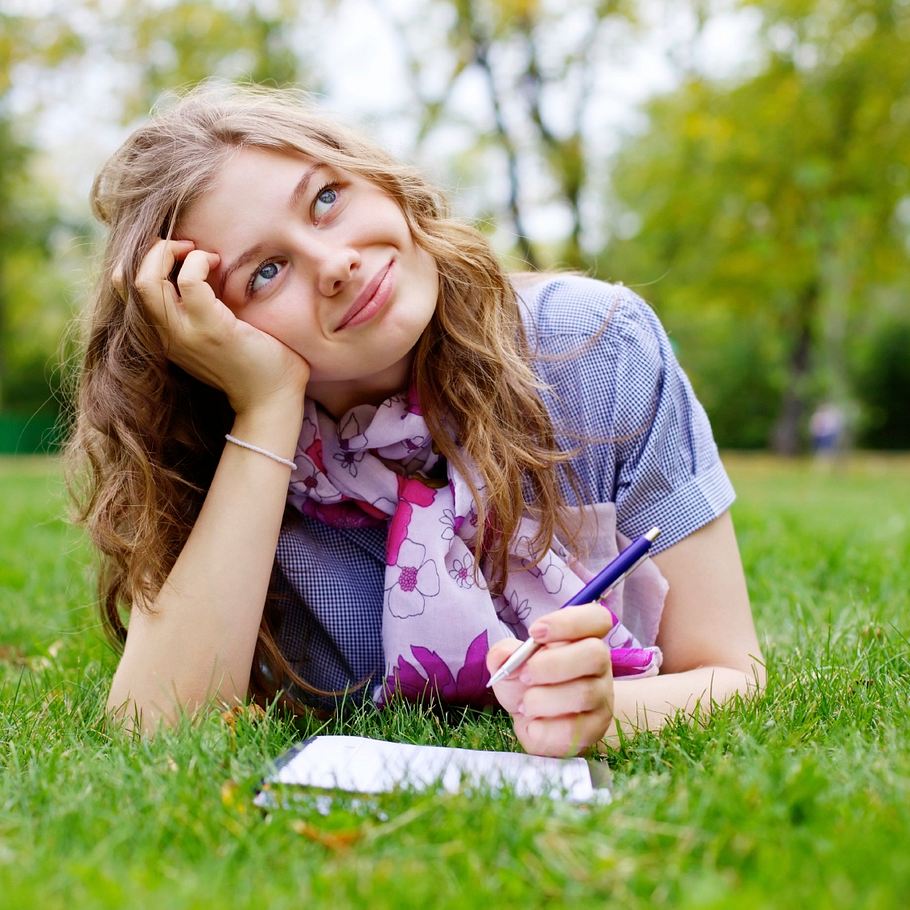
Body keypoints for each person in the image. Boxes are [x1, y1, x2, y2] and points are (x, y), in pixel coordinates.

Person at [67, 83, 764, 757]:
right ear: (206, 329)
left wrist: (606, 713)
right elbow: (156, 734)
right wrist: (266, 409)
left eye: (327, 198)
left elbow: (731, 673)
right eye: (266, 272)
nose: (334, 262)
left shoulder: (593, 351)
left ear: (382, 181)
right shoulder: (231, 463)